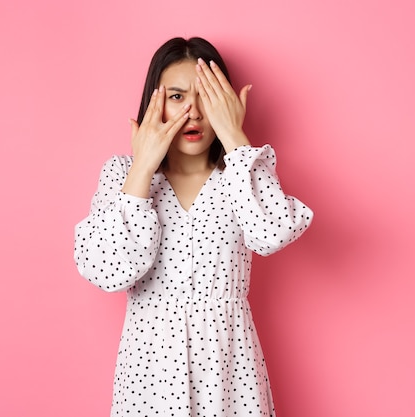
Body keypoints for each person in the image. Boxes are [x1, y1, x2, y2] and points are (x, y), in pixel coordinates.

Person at [74, 36, 313, 416]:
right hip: (149, 375)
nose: (194, 112)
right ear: (155, 101)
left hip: (229, 372)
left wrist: (235, 136)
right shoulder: (123, 175)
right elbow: (107, 271)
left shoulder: (240, 175)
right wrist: (142, 167)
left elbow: (273, 233)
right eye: (178, 97)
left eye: (206, 96)